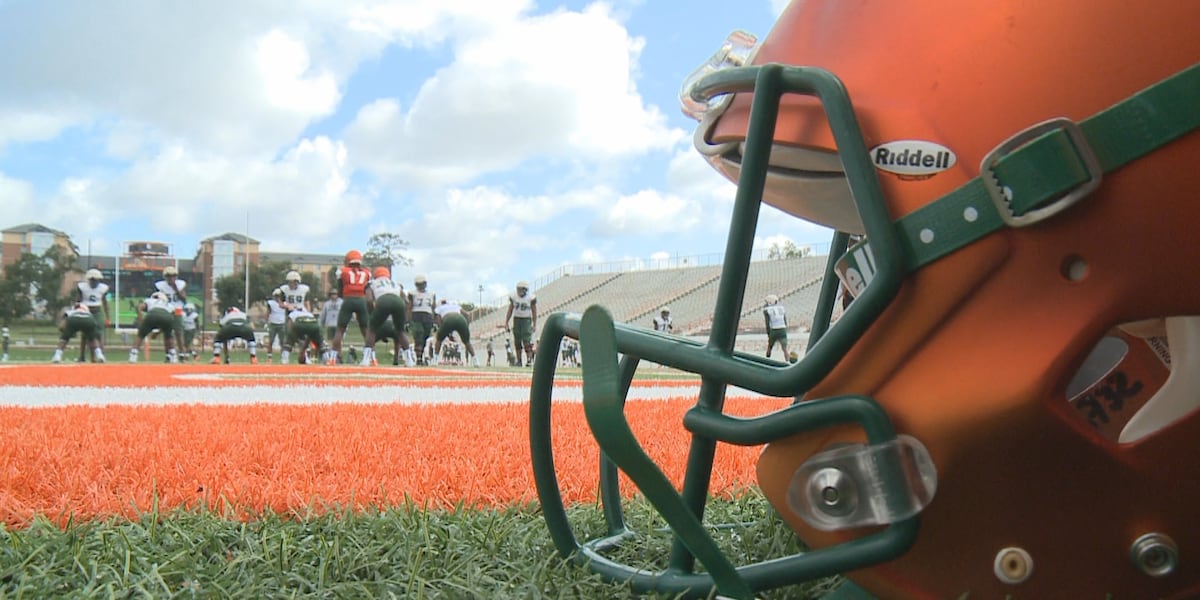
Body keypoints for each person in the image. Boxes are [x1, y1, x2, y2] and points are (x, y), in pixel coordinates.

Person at [365, 266, 416, 367]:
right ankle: (409, 360)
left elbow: (369, 300)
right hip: (398, 302)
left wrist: (372, 313)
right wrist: (403, 316)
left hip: (383, 300)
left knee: (372, 329)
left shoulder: (372, 283)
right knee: (400, 331)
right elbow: (406, 301)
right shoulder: (396, 284)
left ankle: (365, 359)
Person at [329, 250, 371, 365]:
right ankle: (371, 357)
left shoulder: (342, 271)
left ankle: (332, 358)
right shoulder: (367, 272)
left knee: (340, 329)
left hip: (348, 299)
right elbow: (367, 290)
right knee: (366, 330)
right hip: (361, 300)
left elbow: (340, 288)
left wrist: (346, 296)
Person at [129, 292, 177, 363]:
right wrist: (158, 332)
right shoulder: (169, 305)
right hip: (168, 317)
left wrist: (141, 319)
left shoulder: (149, 300)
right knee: (169, 336)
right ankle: (172, 355)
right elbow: (172, 317)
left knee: (141, 335)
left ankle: (133, 355)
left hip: (152, 315)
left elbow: (138, 307)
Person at [76, 268, 111, 362]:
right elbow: (78, 301)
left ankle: (101, 355)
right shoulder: (82, 287)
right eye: (92, 280)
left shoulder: (102, 288)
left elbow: (105, 302)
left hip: (97, 312)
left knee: (99, 334)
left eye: (95, 280)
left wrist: (108, 317)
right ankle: (82, 356)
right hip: (85, 311)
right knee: (84, 336)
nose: (94, 282)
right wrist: (76, 312)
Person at [154, 266, 188, 358]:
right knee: (167, 332)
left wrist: (176, 288)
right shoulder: (161, 286)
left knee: (178, 332)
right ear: (165, 277)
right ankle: (168, 354)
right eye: (169, 276)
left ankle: (181, 353)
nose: (171, 278)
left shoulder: (180, 284)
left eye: (173, 276)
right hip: (167, 310)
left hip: (177, 309)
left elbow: (184, 298)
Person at [433, 299, 479, 367]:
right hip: (461, 319)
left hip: (448, 319)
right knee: (467, 342)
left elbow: (439, 322)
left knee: (439, 339)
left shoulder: (439, 308)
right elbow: (467, 314)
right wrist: (466, 326)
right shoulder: (455, 306)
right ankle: (475, 360)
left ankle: (435, 360)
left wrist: (446, 334)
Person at [504, 280, 537, 367]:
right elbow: (510, 309)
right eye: (518, 289)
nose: (519, 291)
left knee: (527, 340)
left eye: (521, 289)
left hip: (526, 320)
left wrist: (534, 323)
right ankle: (519, 361)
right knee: (517, 341)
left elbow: (534, 311)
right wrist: (506, 321)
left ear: (525, 290)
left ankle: (529, 360)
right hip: (517, 319)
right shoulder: (514, 296)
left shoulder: (530, 298)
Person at [407, 275, 437, 365]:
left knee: (425, 337)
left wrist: (435, 321)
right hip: (416, 315)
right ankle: (418, 358)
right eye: (419, 284)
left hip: (427, 316)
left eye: (423, 284)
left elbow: (433, 307)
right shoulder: (412, 293)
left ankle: (421, 356)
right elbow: (410, 307)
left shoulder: (431, 294)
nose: (421, 286)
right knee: (418, 335)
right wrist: (407, 320)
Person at [763, 294, 791, 361]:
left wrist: (768, 333)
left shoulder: (766, 310)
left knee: (770, 347)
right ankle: (788, 362)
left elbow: (767, 323)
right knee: (785, 349)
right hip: (782, 328)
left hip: (774, 329)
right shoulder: (781, 308)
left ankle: (766, 361)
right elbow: (785, 320)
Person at [264, 291, 288, 363]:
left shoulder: (285, 304)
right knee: (270, 341)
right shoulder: (271, 303)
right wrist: (266, 322)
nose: (277, 297)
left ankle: (284, 357)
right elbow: (268, 312)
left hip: (282, 324)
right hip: (273, 324)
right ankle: (269, 357)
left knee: (282, 342)